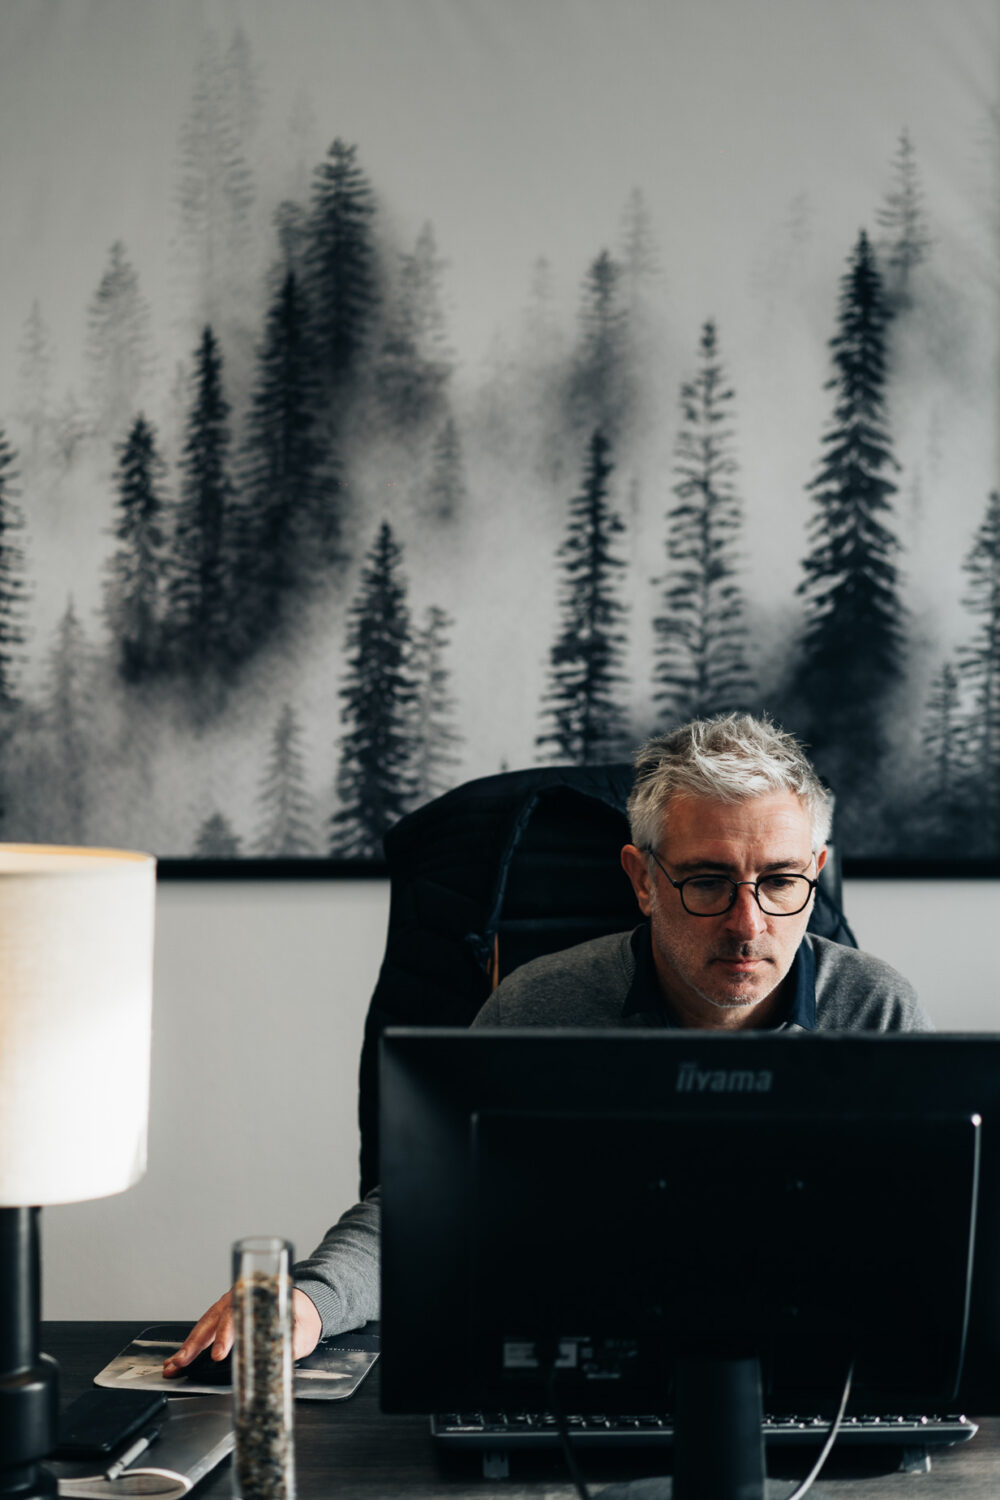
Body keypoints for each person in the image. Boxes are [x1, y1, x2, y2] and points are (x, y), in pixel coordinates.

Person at [163, 713, 931, 1377]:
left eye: (781, 881)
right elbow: (424, 1206)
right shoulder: (537, 1005)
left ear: (817, 874)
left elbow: (928, 1239)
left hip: (815, 1383)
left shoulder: (875, 1007)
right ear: (642, 878)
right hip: (577, 1375)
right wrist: (307, 1299)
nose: (748, 923)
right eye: (707, 882)